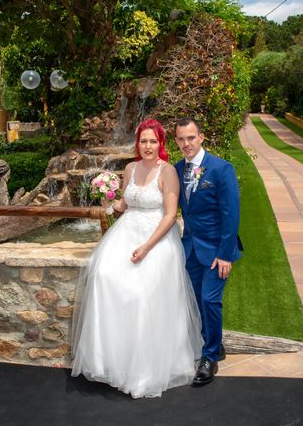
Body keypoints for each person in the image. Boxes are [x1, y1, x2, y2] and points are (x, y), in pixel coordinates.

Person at [71, 119, 203, 399]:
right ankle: (111, 359)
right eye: (143, 141)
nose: (148, 146)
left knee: (141, 294)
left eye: (153, 141)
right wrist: (107, 197)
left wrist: (146, 247)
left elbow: (170, 216)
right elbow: (124, 204)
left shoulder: (167, 172)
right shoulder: (129, 168)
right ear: (137, 144)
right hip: (126, 231)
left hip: (157, 238)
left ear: (161, 144)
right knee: (103, 274)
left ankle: (144, 370)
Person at [174, 117, 242, 385]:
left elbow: (231, 213)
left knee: (209, 300)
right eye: (181, 139)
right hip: (190, 248)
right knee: (197, 299)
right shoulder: (178, 169)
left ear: (201, 137)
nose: (186, 143)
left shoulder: (221, 169)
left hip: (216, 250)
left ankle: (209, 358)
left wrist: (225, 253)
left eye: (191, 137)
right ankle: (215, 343)